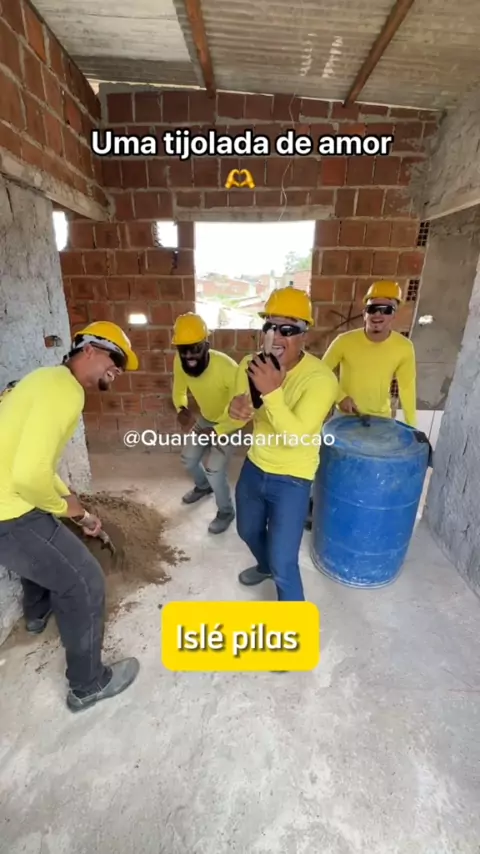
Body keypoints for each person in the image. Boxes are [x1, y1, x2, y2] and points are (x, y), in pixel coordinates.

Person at [0, 321, 140, 713]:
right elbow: (29, 477)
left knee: (44, 550)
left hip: (6, 498)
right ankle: (88, 685)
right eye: (115, 359)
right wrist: (67, 509)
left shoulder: (44, 380)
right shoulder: (66, 392)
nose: (117, 370)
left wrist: (77, 511)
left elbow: (35, 465)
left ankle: (36, 614)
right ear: (89, 350)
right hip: (8, 511)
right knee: (84, 583)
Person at [223, 287, 338, 600]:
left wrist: (272, 392)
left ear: (304, 335)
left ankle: (293, 624)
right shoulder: (251, 365)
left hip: (293, 479)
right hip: (255, 466)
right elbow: (239, 417)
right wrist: (235, 411)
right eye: (270, 327)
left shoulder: (321, 379)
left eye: (288, 329)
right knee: (247, 531)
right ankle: (264, 567)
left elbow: (296, 437)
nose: (276, 336)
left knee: (284, 563)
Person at [172, 312, 240, 534]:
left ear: (207, 346)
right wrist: (181, 408)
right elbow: (179, 391)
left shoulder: (227, 368)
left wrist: (219, 430)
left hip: (228, 424)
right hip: (206, 419)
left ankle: (226, 511)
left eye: (195, 348)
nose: (189, 355)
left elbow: (243, 410)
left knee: (214, 469)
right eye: (183, 350)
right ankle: (203, 487)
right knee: (188, 459)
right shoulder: (180, 363)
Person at [322, 280, 417, 427]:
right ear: (364, 314)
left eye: (386, 309)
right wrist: (340, 397)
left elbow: (407, 388)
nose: (377, 314)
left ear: (394, 315)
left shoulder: (404, 347)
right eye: (372, 308)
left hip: (381, 420)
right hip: (345, 418)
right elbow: (320, 373)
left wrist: (413, 427)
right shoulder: (344, 341)